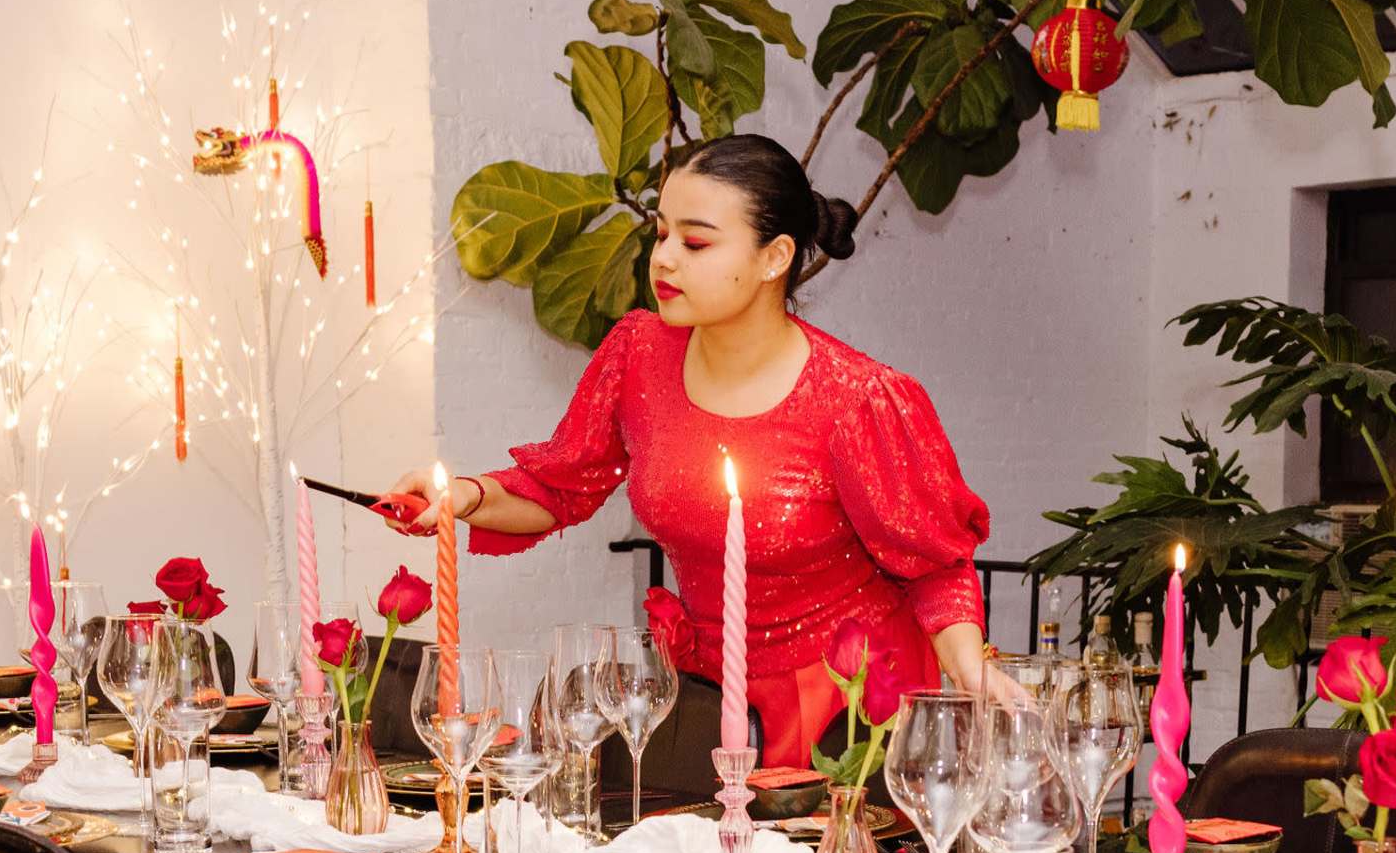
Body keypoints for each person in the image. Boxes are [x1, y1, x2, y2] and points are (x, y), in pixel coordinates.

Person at [385, 133, 1011, 773]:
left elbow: (934, 566)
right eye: (661, 235)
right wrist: (460, 497)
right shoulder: (639, 355)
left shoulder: (858, 399)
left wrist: (968, 668)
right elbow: (559, 487)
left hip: (849, 710)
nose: (665, 260)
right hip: (708, 701)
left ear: (775, 258)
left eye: (696, 242)